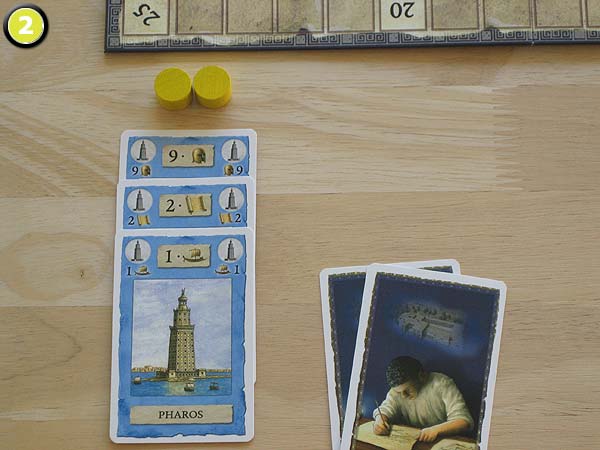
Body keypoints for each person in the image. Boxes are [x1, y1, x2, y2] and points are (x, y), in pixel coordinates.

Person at [373, 356, 473, 442]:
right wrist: (380, 421)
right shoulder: (398, 390)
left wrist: (436, 430)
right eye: (399, 392)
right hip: (412, 441)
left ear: (421, 376)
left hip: (443, 441)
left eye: (408, 390)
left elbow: (463, 421)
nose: (403, 396)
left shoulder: (441, 384)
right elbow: (385, 409)